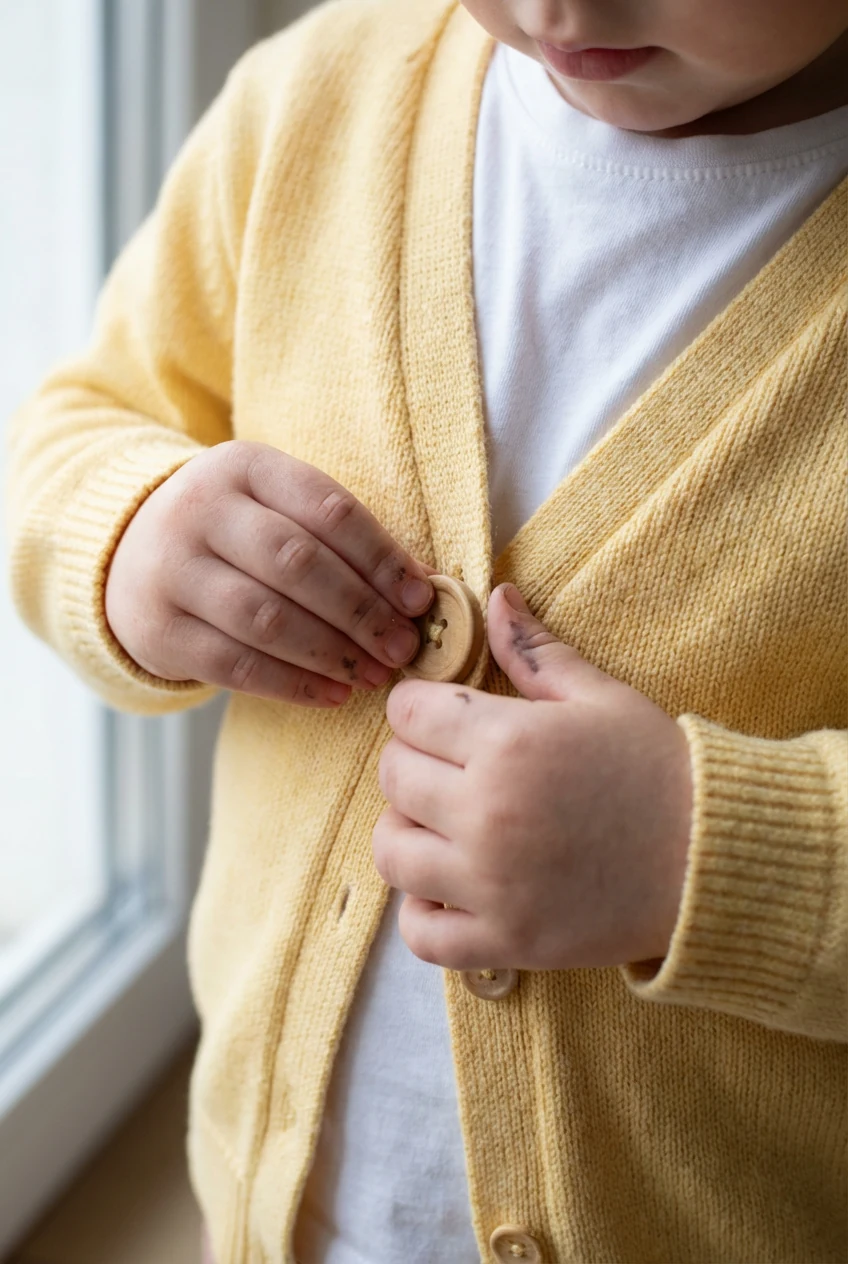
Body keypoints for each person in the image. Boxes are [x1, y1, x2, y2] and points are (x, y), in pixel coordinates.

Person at [6, 0, 847, 1260]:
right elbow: (80, 421)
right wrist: (129, 533)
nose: (561, 8)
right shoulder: (315, 102)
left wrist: (699, 858)